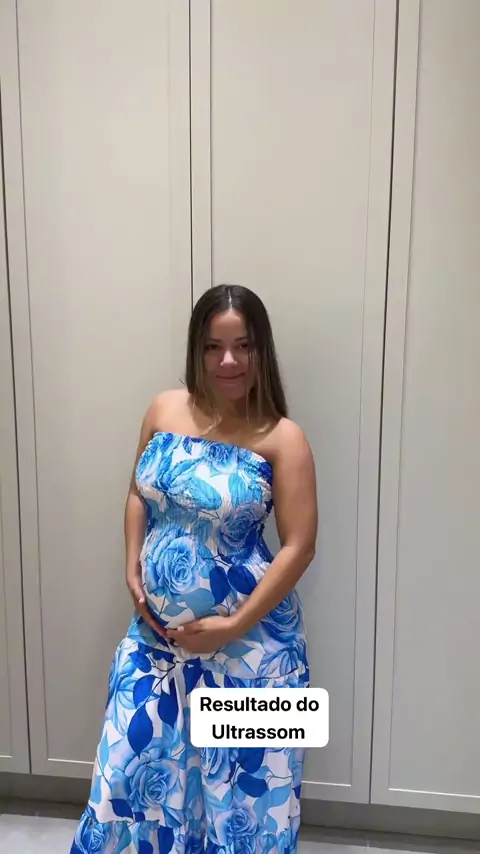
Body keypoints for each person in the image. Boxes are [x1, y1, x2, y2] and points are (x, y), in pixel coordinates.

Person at [71, 284, 318, 854]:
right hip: (156, 641)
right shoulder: (164, 409)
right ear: (196, 350)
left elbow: (300, 546)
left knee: (245, 806)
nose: (228, 360)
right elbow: (137, 492)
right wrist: (131, 567)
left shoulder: (284, 439)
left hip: (255, 652)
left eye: (243, 345)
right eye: (213, 346)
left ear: (262, 350)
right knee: (128, 778)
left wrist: (232, 626)